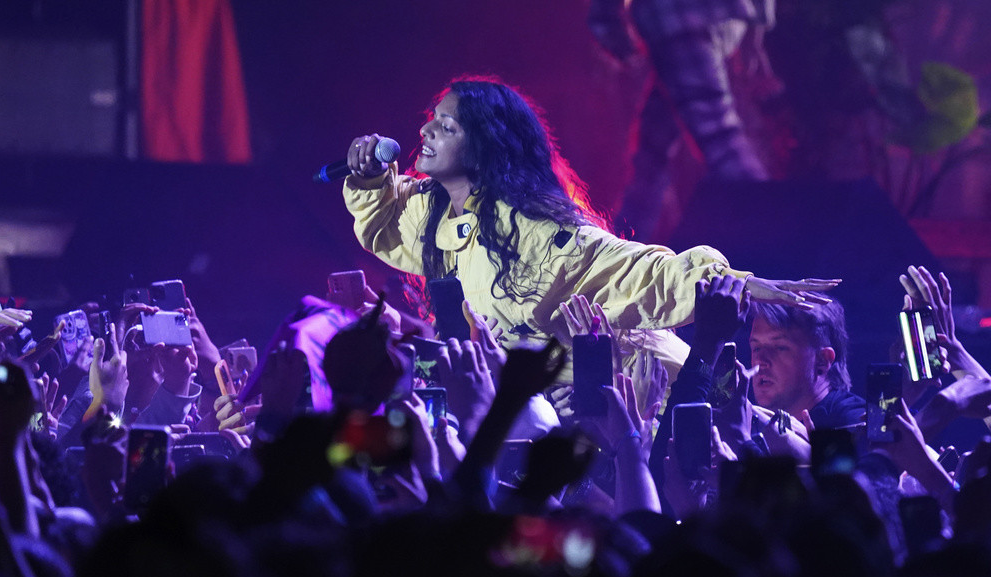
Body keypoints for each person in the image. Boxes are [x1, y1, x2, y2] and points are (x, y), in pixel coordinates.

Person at [340, 76, 836, 390]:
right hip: (553, 410)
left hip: (636, 395)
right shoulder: (433, 214)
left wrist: (728, 281)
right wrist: (367, 177)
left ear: (487, 147)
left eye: (446, 127)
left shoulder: (535, 232)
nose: (426, 132)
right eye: (433, 121)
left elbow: (635, 267)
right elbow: (385, 223)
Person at [588, 0, 777, 240]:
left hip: (671, 18)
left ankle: (775, 229)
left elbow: (606, 16)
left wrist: (612, 33)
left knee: (718, 136)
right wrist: (756, 31)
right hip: (729, 15)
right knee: (653, 151)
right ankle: (624, 244)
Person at [748, 297, 864, 429]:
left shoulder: (855, 425)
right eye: (756, 348)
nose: (760, 361)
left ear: (822, 360)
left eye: (779, 347)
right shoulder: (755, 426)